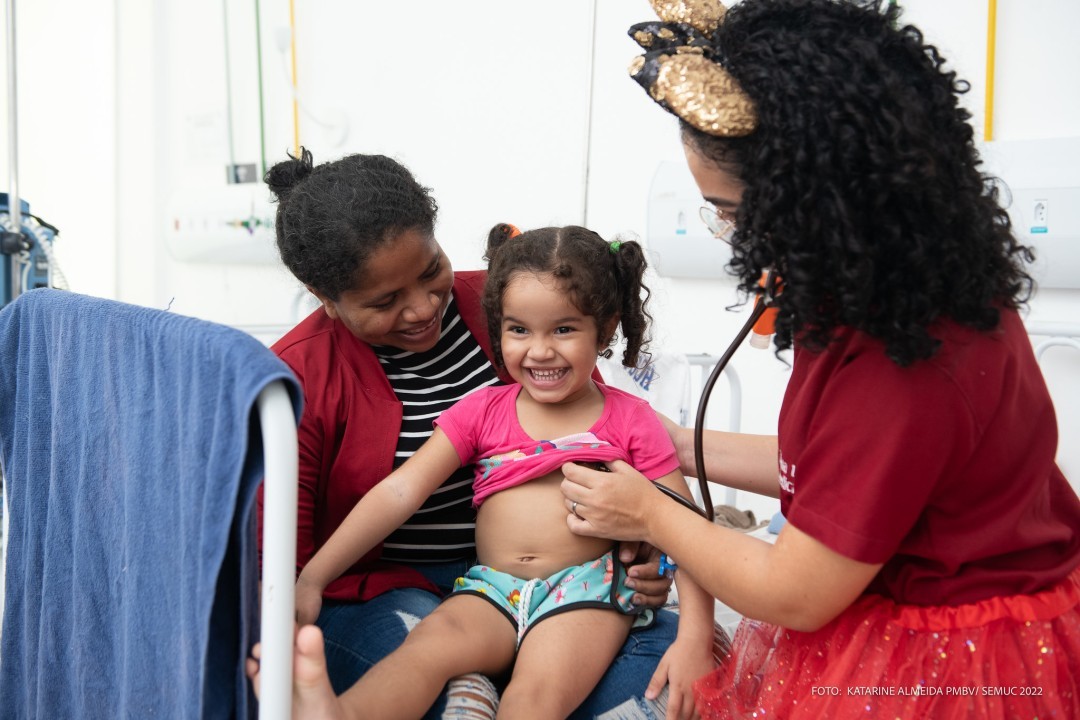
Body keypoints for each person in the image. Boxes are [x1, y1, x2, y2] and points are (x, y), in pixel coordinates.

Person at [560, 1, 1080, 718]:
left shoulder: (906, 363)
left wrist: (649, 512)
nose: (728, 236)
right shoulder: (889, 286)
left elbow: (794, 592)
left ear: (814, 202)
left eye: (733, 213)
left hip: (951, 660)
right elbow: (834, 469)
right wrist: (676, 442)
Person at [254, 150, 683, 718]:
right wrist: (308, 583)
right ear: (323, 296)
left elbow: (612, 449)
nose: (423, 308)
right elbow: (312, 546)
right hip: (410, 593)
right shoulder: (294, 378)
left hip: (573, 586)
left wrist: (646, 557)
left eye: (431, 271)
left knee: (669, 666)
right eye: (385, 302)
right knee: (430, 661)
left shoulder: (513, 303)